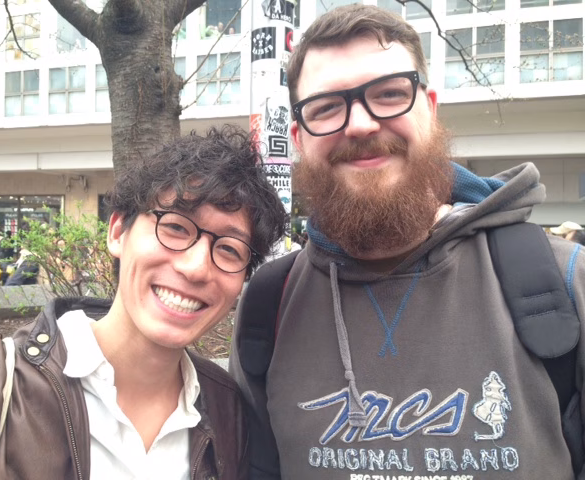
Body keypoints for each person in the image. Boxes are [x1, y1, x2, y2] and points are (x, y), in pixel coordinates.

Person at [229, 5, 585, 479]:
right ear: (298, 137)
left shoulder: (566, 281)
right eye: (327, 107)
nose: (360, 124)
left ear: (430, 109)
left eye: (389, 93)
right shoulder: (266, 307)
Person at [0, 126, 287, 479]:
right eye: (176, 227)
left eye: (229, 249)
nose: (196, 267)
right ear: (118, 231)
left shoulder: (228, 412)